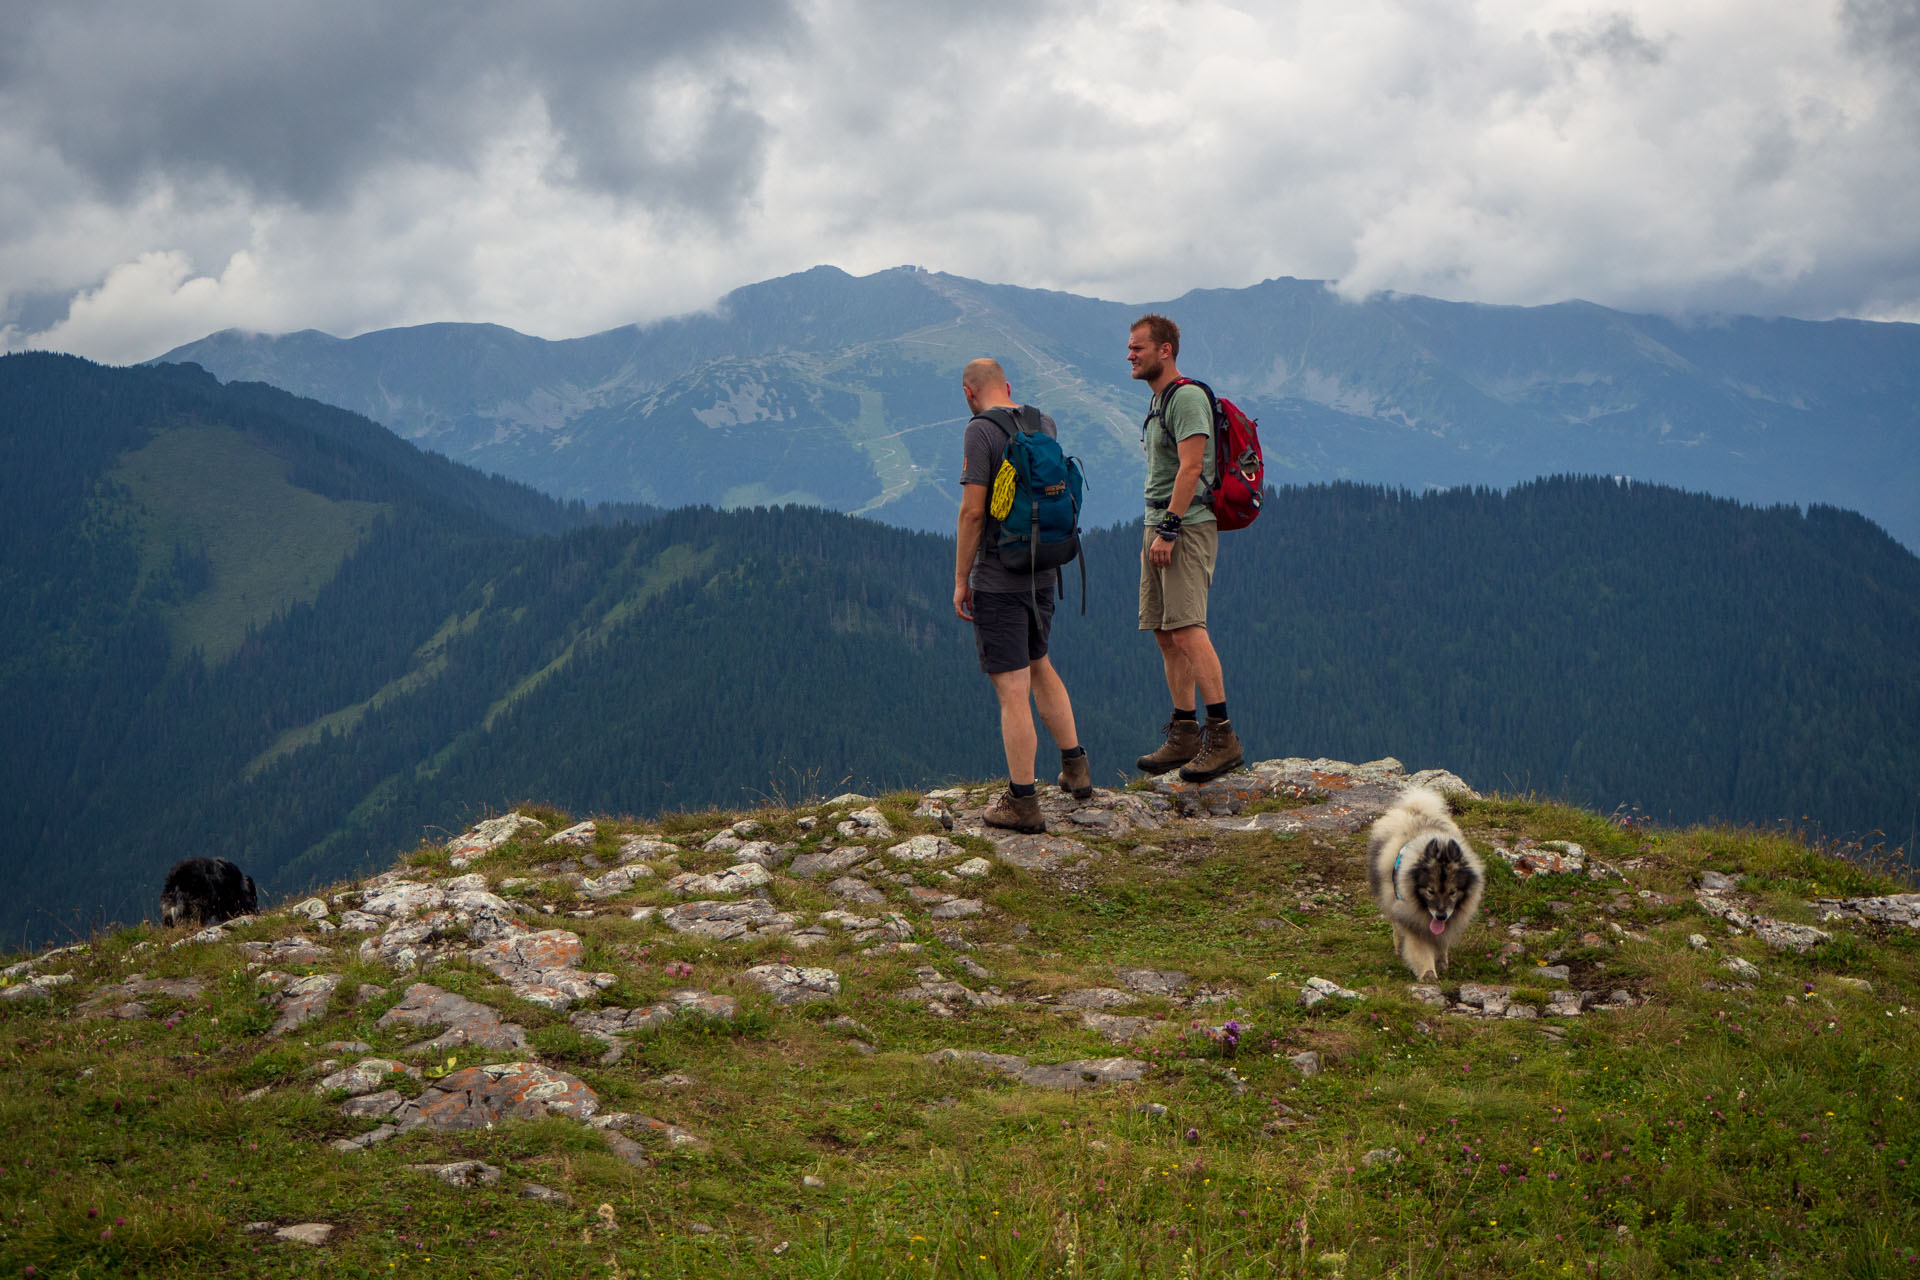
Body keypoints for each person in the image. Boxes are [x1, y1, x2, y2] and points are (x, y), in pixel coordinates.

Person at [953, 357, 1092, 832]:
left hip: (1000, 577)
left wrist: (961, 578)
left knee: (1012, 690)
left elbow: (973, 513)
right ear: (1007, 387)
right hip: (1043, 569)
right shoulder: (1042, 421)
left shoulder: (980, 431)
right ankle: (1076, 768)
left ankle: (1022, 801)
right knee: (1040, 663)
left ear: (970, 394)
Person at [1128, 313, 1245, 782]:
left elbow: (1192, 467)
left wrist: (1171, 528)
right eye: (1130, 348)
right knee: (1164, 630)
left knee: (1189, 628)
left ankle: (1222, 737)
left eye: (1138, 347)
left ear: (1165, 350)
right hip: (1158, 522)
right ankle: (1184, 733)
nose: (1130, 356)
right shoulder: (1160, 402)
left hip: (1185, 525)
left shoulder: (1188, 398)